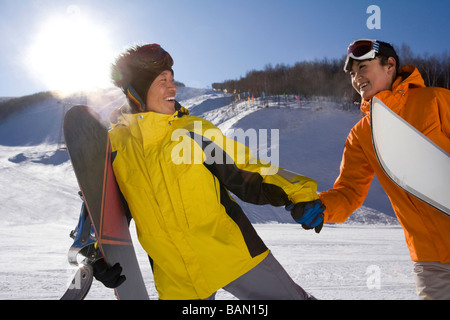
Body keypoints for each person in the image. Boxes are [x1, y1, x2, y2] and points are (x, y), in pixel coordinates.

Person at [93, 43, 325, 300]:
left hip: (229, 254)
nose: (173, 87)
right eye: (163, 80)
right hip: (175, 278)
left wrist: (299, 193)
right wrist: (98, 253)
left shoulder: (192, 131)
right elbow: (101, 210)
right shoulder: (114, 147)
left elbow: (246, 168)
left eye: (172, 78)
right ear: (137, 90)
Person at [318, 39, 450, 299]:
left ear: (390, 65)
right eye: (353, 74)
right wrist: (319, 207)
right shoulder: (361, 135)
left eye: (363, 68)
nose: (357, 79)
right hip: (430, 260)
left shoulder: (437, 100)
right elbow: (348, 193)